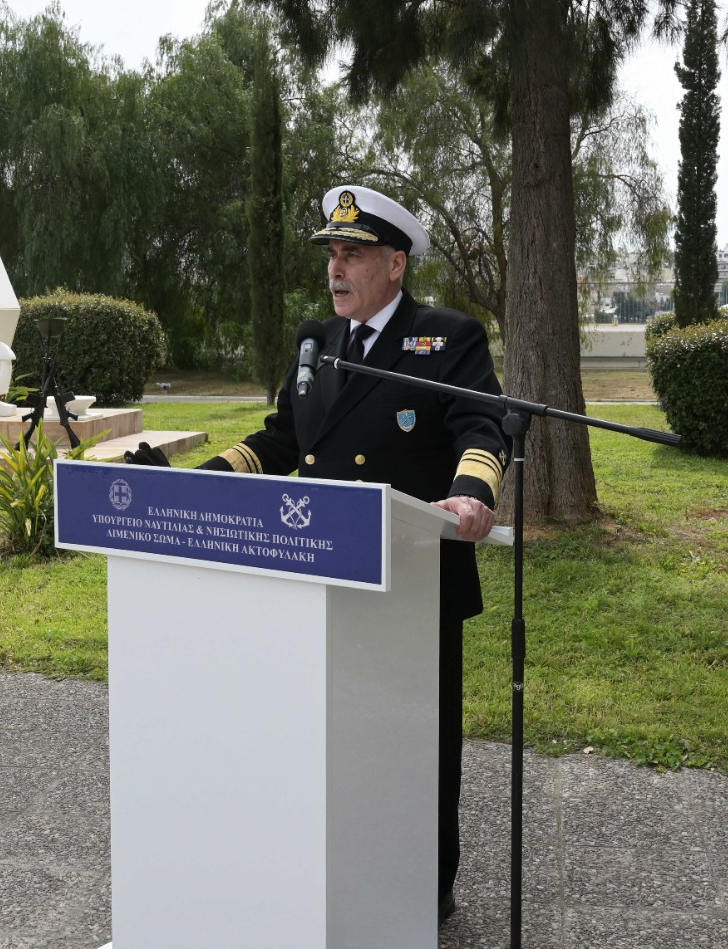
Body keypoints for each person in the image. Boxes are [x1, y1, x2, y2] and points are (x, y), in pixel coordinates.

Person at [198, 185, 507, 923]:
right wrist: (205, 481)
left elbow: (481, 425)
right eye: (332, 254)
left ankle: (423, 888)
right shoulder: (318, 342)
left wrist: (471, 492)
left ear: (396, 264)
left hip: (412, 577)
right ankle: (330, 866)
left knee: (416, 742)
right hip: (319, 569)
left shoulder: (445, 338)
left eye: (354, 255)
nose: (336, 269)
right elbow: (283, 437)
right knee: (326, 732)